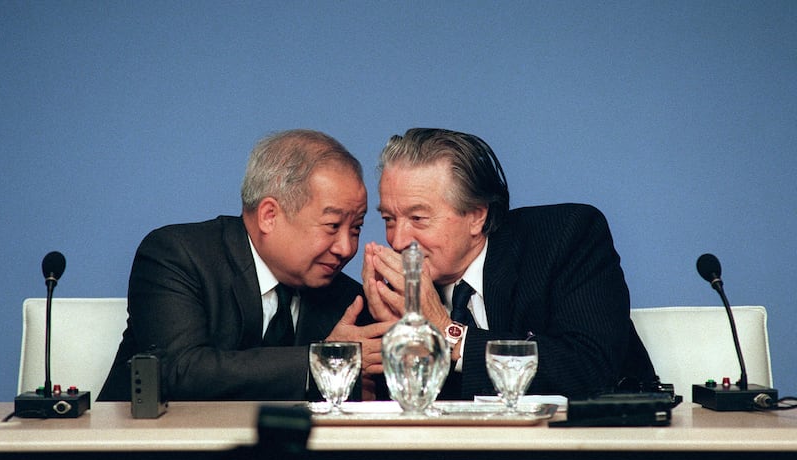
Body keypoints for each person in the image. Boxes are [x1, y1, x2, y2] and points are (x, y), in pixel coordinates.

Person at [363, 128, 657, 400]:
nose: (398, 241)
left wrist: (446, 331)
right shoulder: (395, 294)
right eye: (389, 219)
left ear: (477, 216)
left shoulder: (565, 238)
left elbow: (590, 369)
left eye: (418, 219)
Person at [99, 129, 386, 401]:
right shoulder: (177, 255)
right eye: (332, 225)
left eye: (356, 228)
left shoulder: (348, 299)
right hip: (147, 448)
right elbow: (180, 370)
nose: (346, 248)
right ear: (269, 215)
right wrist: (322, 361)